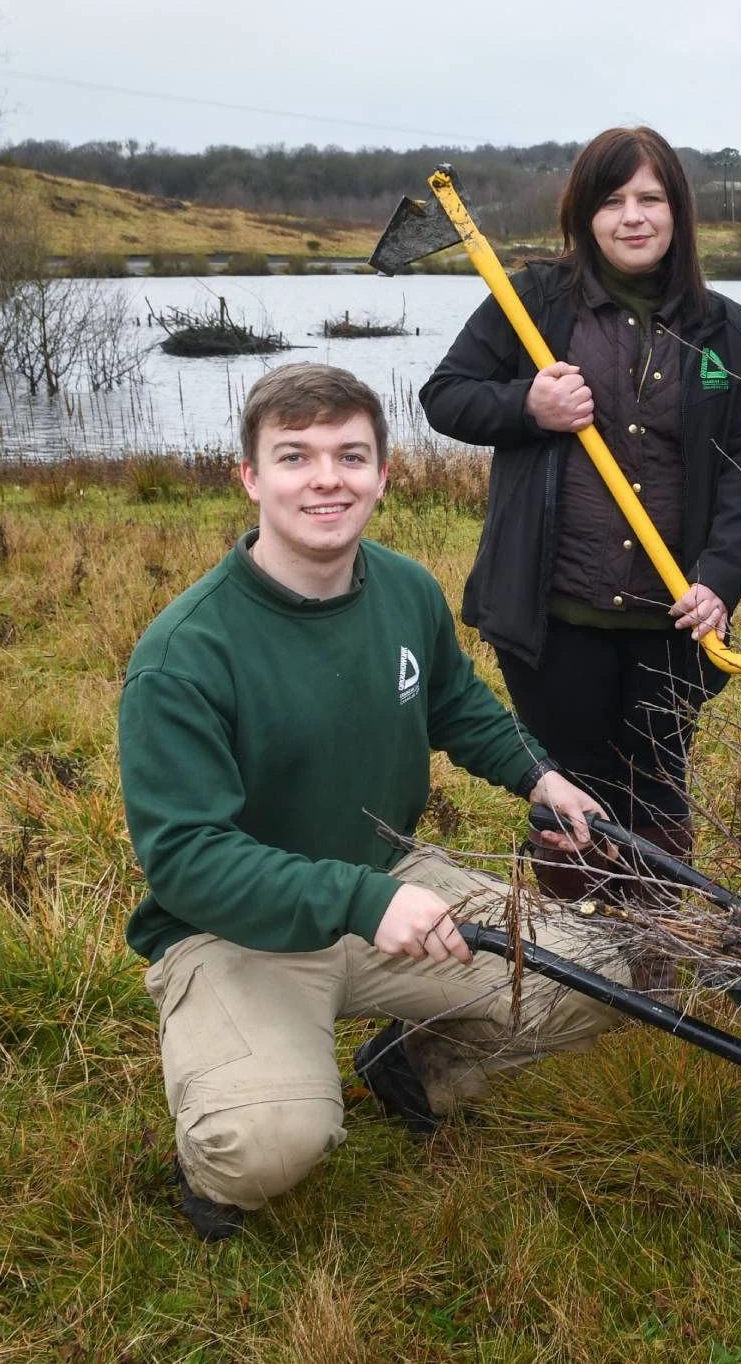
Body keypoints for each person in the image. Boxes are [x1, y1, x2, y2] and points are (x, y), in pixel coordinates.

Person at [119, 363, 624, 1241]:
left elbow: (456, 707)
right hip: (239, 929)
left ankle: (419, 1071)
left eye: (351, 455)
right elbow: (188, 859)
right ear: (250, 477)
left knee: (605, 978)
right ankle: (220, 1162)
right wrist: (367, 902)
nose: (326, 478)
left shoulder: (405, 588)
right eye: (295, 456)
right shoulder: (184, 655)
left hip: (390, 881)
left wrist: (541, 778)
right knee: (269, 1143)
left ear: (384, 475)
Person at [422, 126, 741, 879]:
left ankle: (653, 953)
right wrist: (528, 404)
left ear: (677, 212)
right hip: (556, 614)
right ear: (584, 215)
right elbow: (444, 397)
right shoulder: (535, 302)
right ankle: (575, 955)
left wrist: (720, 578)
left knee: (657, 784)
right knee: (572, 789)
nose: (632, 217)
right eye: (612, 200)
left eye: (650, 198)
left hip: (676, 615)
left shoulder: (720, 328)